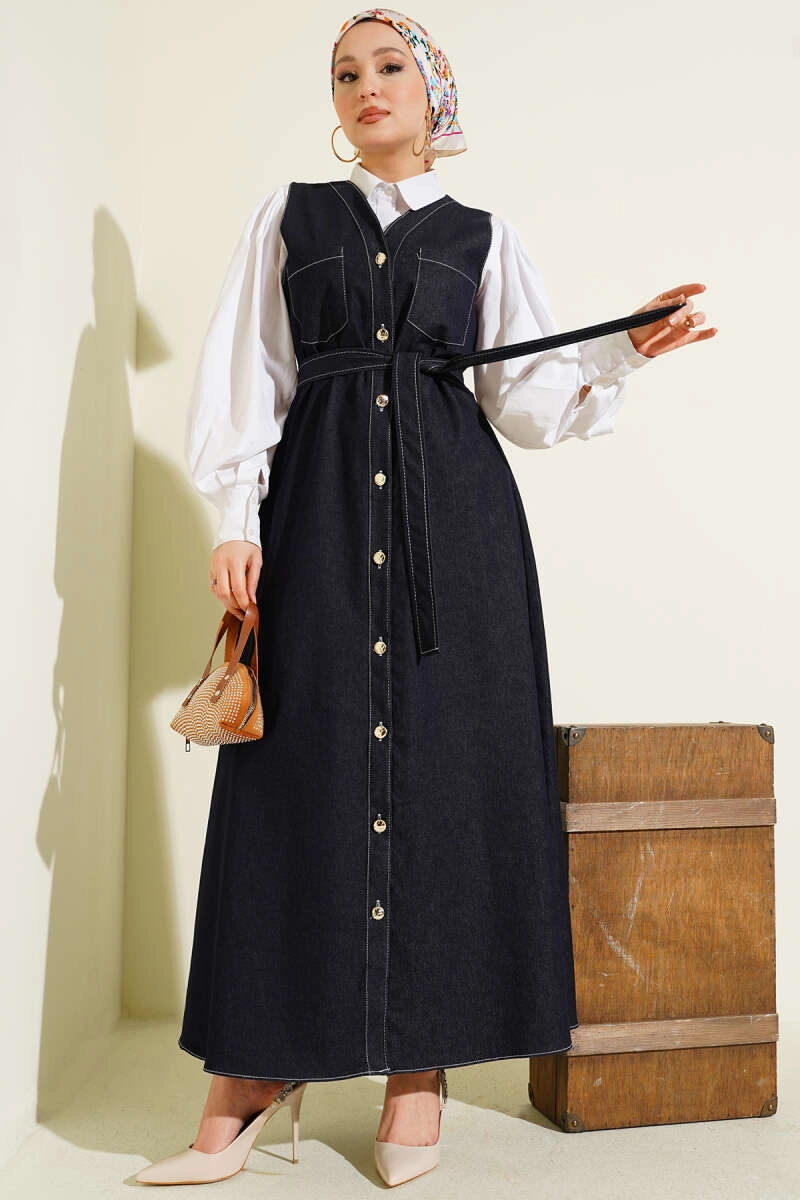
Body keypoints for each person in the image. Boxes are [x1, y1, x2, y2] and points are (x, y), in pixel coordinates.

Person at [135, 7, 716, 1189]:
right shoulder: (289, 217)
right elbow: (249, 372)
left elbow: (525, 398)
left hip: (456, 537)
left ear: (432, 93)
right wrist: (236, 517)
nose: (365, 86)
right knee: (295, 776)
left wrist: (619, 353)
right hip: (316, 520)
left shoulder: (482, 238)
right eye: (344, 72)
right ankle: (253, 1069)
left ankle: (418, 1071)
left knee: (448, 779)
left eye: (388, 66)